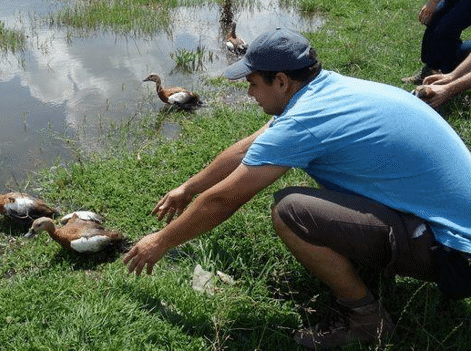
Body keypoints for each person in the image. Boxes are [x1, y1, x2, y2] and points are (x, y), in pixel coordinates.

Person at [123, 27, 471, 349]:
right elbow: (248, 146)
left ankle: (366, 319)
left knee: (291, 211)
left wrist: (161, 240)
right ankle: (370, 271)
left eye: (253, 83)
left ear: (282, 81)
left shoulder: (306, 119)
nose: (249, 92)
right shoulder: (327, 89)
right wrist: (187, 188)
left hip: (456, 254)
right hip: (451, 229)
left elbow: (226, 198)